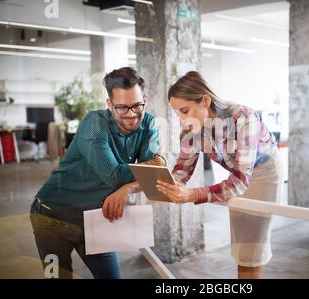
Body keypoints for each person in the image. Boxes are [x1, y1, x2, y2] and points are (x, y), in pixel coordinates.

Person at [30, 67, 165, 279]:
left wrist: (129, 188)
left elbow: (153, 174)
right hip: (51, 217)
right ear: (109, 104)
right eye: (122, 107)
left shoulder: (147, 123)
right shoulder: (94, 123)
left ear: (145, 100)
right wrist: (154, 163)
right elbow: (115, 176)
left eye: (137, 105)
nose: (131, 115)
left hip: (94, 218)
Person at [156, 71, 284, 279]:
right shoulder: (192, 132)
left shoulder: (244, 118)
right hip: (237, 177)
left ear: (205, 100)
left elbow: (241, 182)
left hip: (264, 174)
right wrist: (158, 186)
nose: (181, 119)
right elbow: (181, 172)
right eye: (177, 113)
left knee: (251, 251)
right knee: (242, 249)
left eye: (185, 111)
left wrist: (192, 195)